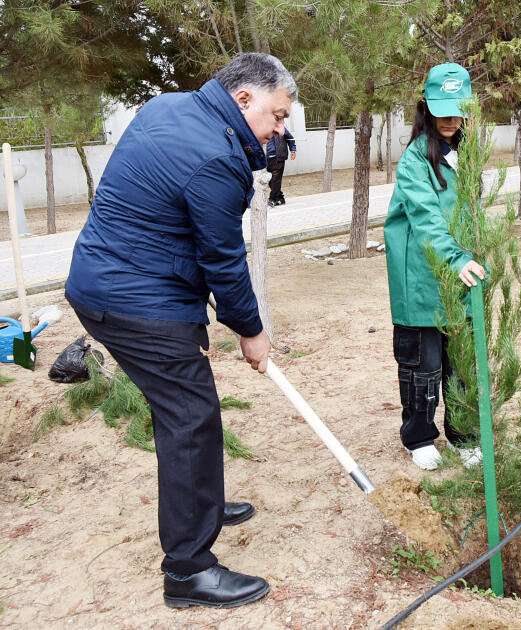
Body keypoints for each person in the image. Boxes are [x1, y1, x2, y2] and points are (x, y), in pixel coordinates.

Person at [64, 53, 297, 609]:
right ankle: (189, 570)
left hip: (117, 281)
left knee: (190, 407)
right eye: (278, 115)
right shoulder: (216, 155)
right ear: (243, 100)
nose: (280, 129)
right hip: (133, 299)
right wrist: (250, 330)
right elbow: (221, 257)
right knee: (189, 415)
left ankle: (205, 504)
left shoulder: (171, 106)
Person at [383, 63, 485, 470]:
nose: (448, 119)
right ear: (424, 107)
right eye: (440, 109)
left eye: (457, 109)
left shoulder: (466, 155)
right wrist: (458, 258)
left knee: (460, 362)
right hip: (421, 278)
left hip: (459, 275)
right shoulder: (414, 161)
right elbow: (426, 219)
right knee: (421, 365)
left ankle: (463, 434)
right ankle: (419, 435)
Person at [266, 127, 296, 206]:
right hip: (266, 157)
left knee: (276, 179)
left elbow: (290, 138)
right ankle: (280, 197)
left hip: (278, 156)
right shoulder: (262, 127)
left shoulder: (279, 127)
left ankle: (272, 199)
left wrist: (293, 150)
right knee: (269, 179)